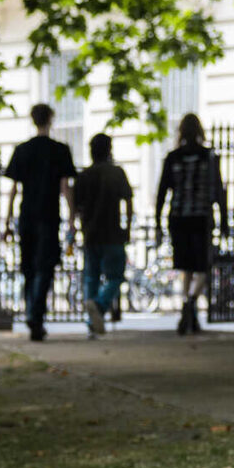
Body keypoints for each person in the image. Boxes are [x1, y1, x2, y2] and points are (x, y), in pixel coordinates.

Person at [4, 105, 80, 342]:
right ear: (51, 119)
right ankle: (36, 313)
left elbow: (14, 190)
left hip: (26, 215)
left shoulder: (22, 150)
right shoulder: (59, 150)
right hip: (48, 215)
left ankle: (32, 311)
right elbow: (65, 187)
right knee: (44, 267)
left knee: (28, 267)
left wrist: (6, 222)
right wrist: (72, 217)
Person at [152, 114, 227, 335]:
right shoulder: (209, 156)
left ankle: (187, 304)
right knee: (203, 265)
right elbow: (218, 190)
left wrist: (157, 221)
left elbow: (162, 191)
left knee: (185, 265)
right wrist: (223, 220)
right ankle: (191, 302)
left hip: (178, 217)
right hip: (201, 217)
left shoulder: (173, 157)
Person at [73, 132, 135, 335]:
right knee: (115, 277)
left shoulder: (84, 175)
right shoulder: (116, 173)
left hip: (91, 234)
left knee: (91, 277)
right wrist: (128, 228)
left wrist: (76, 227)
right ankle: (99, 306)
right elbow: (128, 200)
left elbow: (76, 207)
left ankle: (92, 322)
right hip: (112, 233)